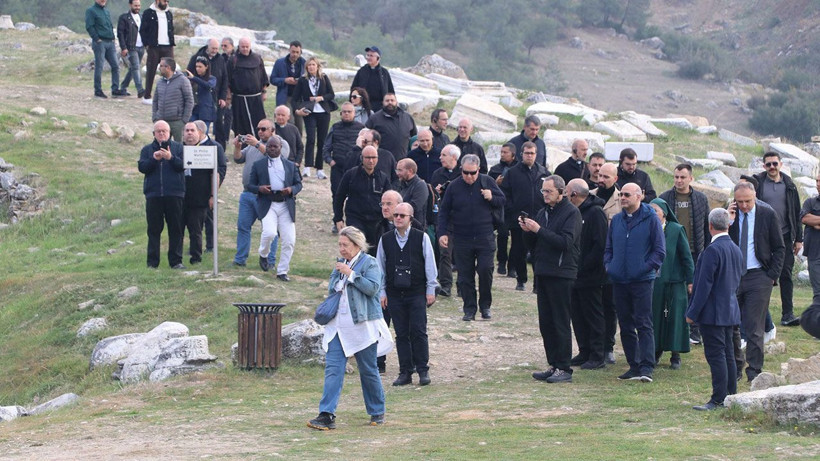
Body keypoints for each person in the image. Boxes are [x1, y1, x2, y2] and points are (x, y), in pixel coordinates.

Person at [307, 226, 393, 430]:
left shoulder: (370, 263)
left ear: (357, 245)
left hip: (363, 327)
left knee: (368, 370)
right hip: (337, 327)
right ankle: (326, 414)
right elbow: (332, 289)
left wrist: (351, 275)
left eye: (345, 245)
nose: (341, 249)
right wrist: (340, 277)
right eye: (340, 244)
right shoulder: (339, 264)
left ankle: (377, 410)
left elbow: (373, 289)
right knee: (333, 370)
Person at [523, 175, 582, 383]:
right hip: (543, 271)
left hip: (562, 273)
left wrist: (538, 229)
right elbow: (535, 244)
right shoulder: (543, 212)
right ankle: (553, 363)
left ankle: (564, 367)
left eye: (548, 191)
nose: (545, 195)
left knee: (560, 321)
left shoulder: (571, 213)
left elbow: (565, 242)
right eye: (543, 191)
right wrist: (528, 231)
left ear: (561, 192)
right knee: (546, 322)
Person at [605, 183, 666, 383]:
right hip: (619, 280)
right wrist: (610, 266)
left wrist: (643, 268)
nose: (622, 198)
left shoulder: (651, 220)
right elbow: (609, 247)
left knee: (644, 322)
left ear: (639, 197)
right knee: (625, 323)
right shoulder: (617, 220)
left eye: (627, 195)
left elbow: (659, 251)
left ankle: (647, 366)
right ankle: (633, 364)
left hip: (642, 281)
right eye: (621, 194)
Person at [686, 208, 744, 411]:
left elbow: (703, 286)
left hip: (713, 312)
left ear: (710, 226)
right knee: (728, 353)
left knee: (716, 355)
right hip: (730, 309)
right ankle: (730, 395)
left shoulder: (711, 251)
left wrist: (692, 313)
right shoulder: (735, 249)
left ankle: (718, 398)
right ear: (728, 225)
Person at [728, 182, 785, 382]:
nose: (744, 205)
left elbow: (779, 247)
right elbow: (719, 241)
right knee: (731, 323)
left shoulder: (767, 214)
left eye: (748, 201)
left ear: (755, 197)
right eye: (740, 201)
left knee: (754, 326)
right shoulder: (730, 214)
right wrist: (728, 221)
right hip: (734, 275)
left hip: (758, 275)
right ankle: (734, 367)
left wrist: (771, 276)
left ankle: (754, 371)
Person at [438, 154, 505, 321]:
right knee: (465, 275)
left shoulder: (487, 181)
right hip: (462, 237)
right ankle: (469, 309)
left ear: (479, 170)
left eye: (472, 173)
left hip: (485, 235)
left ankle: (485, 306)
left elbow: (502, 200)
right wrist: (442, 233)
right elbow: (444, 211)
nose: (469, 176)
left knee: (485, 270)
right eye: (465, 172)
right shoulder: (454, 186)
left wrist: (492, 196)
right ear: (461, 170)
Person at [377, 203, 438, 386]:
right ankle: (405, 371)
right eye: (395, 215)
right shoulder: (385, 239)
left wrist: (431, 289)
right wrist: (382, 292)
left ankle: (422, 370)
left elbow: (430, 264)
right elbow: (380, 267)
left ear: (410, 218)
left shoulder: (422, 238)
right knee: (401, 333)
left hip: (417, 291)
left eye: (402, 215)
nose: (398, 218)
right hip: (395, 293)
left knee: (418, 331)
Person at [659, 163, 711, 345]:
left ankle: (694, 330)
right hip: (672, 253)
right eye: (676, 177)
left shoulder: (701, 199)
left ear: (691, 178)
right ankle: (670, 326)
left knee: (695, 290)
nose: (679, 180)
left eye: (682, 177)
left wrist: (706, 249)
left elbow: (706, 226)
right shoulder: (664, 198)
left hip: (695, 251)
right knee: (674, 291)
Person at [753, 151, 803, 327]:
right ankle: (760, 315)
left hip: (785, 236)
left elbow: (797, 213)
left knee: (786, 275)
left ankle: (787, 314)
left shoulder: (790, 185)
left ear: (781, 164)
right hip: (763, 237)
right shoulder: (757, 183)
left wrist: (799, 238)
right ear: (763, 166)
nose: (772, 167)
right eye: (768, 164)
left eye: (775, 163)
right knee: (762, 275)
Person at [232, 118, 290, 267]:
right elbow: (238, 159)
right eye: (258, 129)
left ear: (273, 130)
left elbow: (277, 157)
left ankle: (269, 261)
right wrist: (238, 147)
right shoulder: (252, 146)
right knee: (243, 227)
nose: (260, 132)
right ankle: (240, 260)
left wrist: (257, 144)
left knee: (270, 231)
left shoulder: (280, 144)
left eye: (264, 129)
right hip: (248, 193)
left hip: (267, 196)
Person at [565, 178, 608, 370]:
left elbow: (600, 246)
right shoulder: (573, 212)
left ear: (574, 194)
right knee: (577, 314)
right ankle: (584, 350)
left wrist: (583, 267)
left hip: (591, 274)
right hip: (574, 273)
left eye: (566, 192)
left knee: (593, 314)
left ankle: (597, 355)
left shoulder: (596, 213)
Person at [649, 198, 695, 370]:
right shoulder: (648, 229)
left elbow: (686, 257)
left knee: (675, 317)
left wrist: (691, 280)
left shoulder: (676, 230)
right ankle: (655, 351)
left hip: (675, 282)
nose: (653, 213)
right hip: (655, 282)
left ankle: (675, 354)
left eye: (656, 210)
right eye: (650, 210)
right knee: (656, 317)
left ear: (664, 213)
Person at [248, 136, 302, 281]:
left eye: (275, 147)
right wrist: (260, 189)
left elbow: (299, 184)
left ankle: (282, 271)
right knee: (269, 233)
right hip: (268, 203)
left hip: (285, 204)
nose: (272, 149)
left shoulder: (290, 165)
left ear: (280, 148)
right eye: (270, 146)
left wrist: (291, 189)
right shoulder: (259, 165)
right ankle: (263, 254)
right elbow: (250, 185)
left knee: (289, 240)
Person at [138, 120, 186, 269]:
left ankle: (176, 261)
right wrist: (154, 159)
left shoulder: (178, 148)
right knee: (153, 230)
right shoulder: (147, 150)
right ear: (154, 134)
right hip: (154, 195)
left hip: (175, 194)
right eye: (158, 131)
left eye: (164, 131)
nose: (161, 134)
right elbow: (142, 167)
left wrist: (170, 158)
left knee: (176, 229)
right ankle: (152, 263)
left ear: (169, 133)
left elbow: (183, 166)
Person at [502, 141, 549, 291]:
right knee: (518, 250)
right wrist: (513, 210)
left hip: (539, 218)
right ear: (522, 154)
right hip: (519, 219)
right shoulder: (512, 172)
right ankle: (521, 279)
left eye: (533, 153)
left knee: (539, 251)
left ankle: (538, 283)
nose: (530, 156)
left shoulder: (543, 172)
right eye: (527, 153)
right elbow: (505, 194)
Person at [334, 146, 393, 255]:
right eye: (368, 157)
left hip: (376, 222)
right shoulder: (351, 175)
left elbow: (389, 200)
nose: (371, 161)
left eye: (374, 157)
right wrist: (338, 218)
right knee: (357, 250)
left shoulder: (382, 178)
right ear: (362, 158)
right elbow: (339, 196)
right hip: (356, 219)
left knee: (374, 253)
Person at [181, 121, 226, 265]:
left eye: (192, 130)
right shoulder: (179, 148)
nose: (189, 133)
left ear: (199, 132)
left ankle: (205, 250)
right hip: (182, 195)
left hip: (202, 194)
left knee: (200, 225)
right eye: (186, 130)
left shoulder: (213, 147)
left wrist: (214, 194)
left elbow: (218, 171)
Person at [592, 162, 622, 364]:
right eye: (599, 176)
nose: (601, 180)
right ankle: (592, 345)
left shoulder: (621, 200)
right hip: (590, 259)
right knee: (591, 305)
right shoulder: (589, 196)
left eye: (606, 177)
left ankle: (608, 345)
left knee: (610, 306)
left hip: (612, 261)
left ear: (615, 179)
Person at [323, 102, 365, 228]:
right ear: (340, 114)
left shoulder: (361, 128)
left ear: (354, 113)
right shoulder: (335, 127)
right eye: (344, 112)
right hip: (338, 168)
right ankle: (337, 221)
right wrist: (330, 161)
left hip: (356, 168)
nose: (346, 114)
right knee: (337, 195)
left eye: (349, 111)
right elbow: (326, 147)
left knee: (356, 194)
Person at [293, 57, 335, 179]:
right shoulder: (302, 80)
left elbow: (331, 94)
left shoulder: (324, 78)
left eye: (313, 65)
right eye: (309, 65)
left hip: (323, 111)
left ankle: (320, 169)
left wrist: (320, 98)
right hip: (309, 112)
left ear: (317, 66)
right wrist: (297, 110)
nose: (311, 67)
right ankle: (307, 167)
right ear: (306, 67)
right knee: (311, 138)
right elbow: (295, 98)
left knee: (322, 140)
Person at [430, 145, 463, 297]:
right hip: (445, 218)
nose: (440, 157)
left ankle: (463, 285)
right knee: (445, 253)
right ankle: (446, 285)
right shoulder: (437, 173)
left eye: (444, 155)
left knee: (463, 253)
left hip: (462, 218)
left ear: (454, 158)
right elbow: (433, 196)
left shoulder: (463, 173)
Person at [186, 39, 228, 137]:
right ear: (207, 47)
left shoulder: (220, 59)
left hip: (212, 101)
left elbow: (225, 78)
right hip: (195, 104)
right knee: (192, 132)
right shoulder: (196, 57)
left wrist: (223, 97)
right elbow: (188, 74)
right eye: (213, 48)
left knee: (208, 131)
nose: (215, 51)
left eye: (217, 48)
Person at [227, 37, 269, 137]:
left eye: (247, 47)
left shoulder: (257, 58)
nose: (245, 49)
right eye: (243, 47)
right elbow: (227, 80)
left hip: (256, 98)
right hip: (239, 98)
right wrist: (228, 95)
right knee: (241, 124)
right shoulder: (233, 60)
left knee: (259, 122)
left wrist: (264, 92)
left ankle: (260, 143)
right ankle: (243, 147)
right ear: (239, 47)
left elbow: (263, 76)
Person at [488, 143, 518, 276]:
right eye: (501, 152)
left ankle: (512, 266)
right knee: (503, 235)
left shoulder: (518, 169)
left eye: (506, 152)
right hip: (501, 208)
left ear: (513, 154)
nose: (502, 154)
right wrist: (496, 183)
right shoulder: (495, 169)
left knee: (517, 239)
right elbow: (488, 185)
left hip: (515, 208)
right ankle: (501, 262)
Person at [139, 0, 174, 105]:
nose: (166, 3)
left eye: (167, 1)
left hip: (167, 46)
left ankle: (168, 96)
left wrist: (172, 43)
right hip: (154, 46)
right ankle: (147, 95)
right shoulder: (148, 13)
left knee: (170, 71)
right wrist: (147, 44)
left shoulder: (168, 13)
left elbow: (171, 28)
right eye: (164, 1)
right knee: (151, 71)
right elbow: (143, 30)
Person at [86, 0, 123, 99]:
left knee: (115, 66)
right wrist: (97, 39)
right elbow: (89, 26)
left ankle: (115, 90)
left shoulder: (106, 11)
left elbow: (109, 25)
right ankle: (98, 91)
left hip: (110, 42)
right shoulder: (91, 11)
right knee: (99, 67)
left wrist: (113, 38)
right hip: (100, 43)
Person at [152, 57, 193, 142]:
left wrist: (184, 120)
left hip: (177, 122)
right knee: (161, 147)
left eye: (161, 66)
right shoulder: (160, 82)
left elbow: (189, 100)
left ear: (168, 67)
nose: (159, 68)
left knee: (179, 148)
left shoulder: (183, 80)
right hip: (161, 121)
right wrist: (155, 117)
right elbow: (155, 100)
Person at [366, 93, 417, 161]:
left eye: (392, 100)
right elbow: (366, 138)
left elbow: (414, 137)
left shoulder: (407, 117)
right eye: (387, 101)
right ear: (383, 103)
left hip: (403, 160)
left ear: (396, 102)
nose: (390, 102)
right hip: (382, 160)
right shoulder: (374, 119)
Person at [270, 40, 305, 134]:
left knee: (299, 125)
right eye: (293, 52)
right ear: (289, 50)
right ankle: (287, 144)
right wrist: (285, 80)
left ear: (301, 52)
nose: (295, 54)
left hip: (299, 98)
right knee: (290, 122)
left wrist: (300, 81)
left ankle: (297, 145)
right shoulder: (280, 62)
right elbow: (272, 79)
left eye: (297, 52)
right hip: (285, 97)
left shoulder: (304, 63)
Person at [351, 46, 394, 113]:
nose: (368, 58)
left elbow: (390, 91)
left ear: (378, 58)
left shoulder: (384, 73)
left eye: (371, 56)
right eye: (367, 55)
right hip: (364, 106)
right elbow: (354, 89)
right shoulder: (362, 71)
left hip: (380, 107)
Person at [116, 0, 144, 98]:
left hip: (141, 47)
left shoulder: (142, 17)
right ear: (130, 5)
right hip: (131, 47)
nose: (137, 7)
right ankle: (140, 90)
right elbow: (120, 34)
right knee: (136, 67)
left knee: (133, 68)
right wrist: (123, 47)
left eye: (139, 5)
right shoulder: (124, 18)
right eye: (135, 5)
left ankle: (123, 87)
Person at [800, 173, 820, 304]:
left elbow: (810, 219)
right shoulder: (810, 202)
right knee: (818, 290)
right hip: (814, 252)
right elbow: (804, 218)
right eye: (817, 181)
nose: (818, 184)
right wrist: (811, 221)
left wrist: (816, 222)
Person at [185, 57, 217, 134]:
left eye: (200, 67)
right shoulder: (192, 79)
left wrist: (194, 78)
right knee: (191, 134)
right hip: (194, 111)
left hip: (206, 112)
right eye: (196, 66)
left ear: (206, 67)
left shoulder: (212, 78)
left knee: (203, 135)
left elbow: (208, 86)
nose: (197, 69)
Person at [396, 158, 429, 228]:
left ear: (410, 171)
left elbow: (415, 206)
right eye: (397, 170)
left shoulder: (420, 185)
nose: (397, 173)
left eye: (400, 170)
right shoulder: (401, 184)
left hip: (416, 228)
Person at [215, 37, 235, 148]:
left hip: (237, 90)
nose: (223, 48)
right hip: (225, 91)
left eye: (225, 46)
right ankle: (225, 138)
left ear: (232, 46)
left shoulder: (236, 58)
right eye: (221, 46)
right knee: (226, 115)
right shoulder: (221, 58)